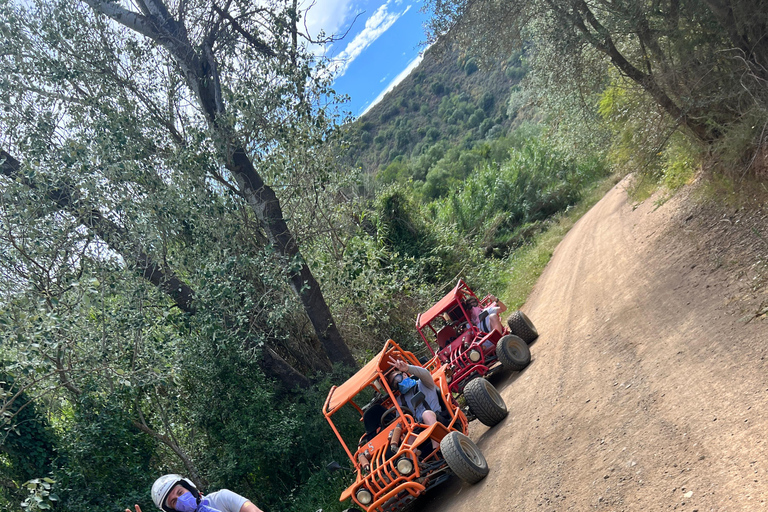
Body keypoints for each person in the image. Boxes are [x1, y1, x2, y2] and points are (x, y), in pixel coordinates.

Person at [386, 355, 444, 450]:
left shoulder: (423, 383)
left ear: (404, 374)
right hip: (419, 427)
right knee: (407, 434)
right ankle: (415, 462)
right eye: (394, 384)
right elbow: (400, 420)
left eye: (397, 379)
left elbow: (425, 373)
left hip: (437, 418)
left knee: (426, 415)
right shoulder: (400, 400)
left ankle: (438, 449)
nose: (398, 384)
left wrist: (408, 368)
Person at [125, 474, 263, 512]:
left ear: (190, 488)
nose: (180, 499)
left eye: (180, 492)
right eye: (174, 502)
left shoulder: (221, 498)